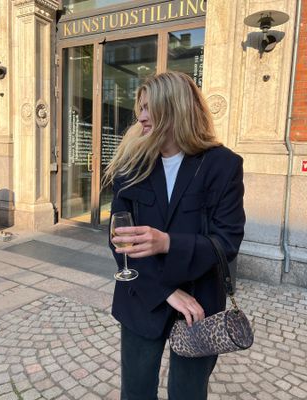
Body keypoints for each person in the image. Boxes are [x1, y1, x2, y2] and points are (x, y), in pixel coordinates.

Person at [103, 71, 245, 400]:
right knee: (136, 391)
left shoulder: (222, 165)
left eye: (149, 107)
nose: (140, 116)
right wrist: (165, 290)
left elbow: (228, 241)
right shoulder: (131, 165)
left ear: (176, 107)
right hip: (142, 296)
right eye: (140, 107)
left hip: (199, 306)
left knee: (189, 393)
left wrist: (167, 242)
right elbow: (119, 242)